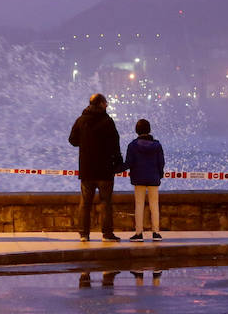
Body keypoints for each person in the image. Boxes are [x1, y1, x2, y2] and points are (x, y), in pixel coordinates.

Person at [68, 93, 123, 242]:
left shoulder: (81, 120)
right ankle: (107, 234)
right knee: (106, 203)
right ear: (100, 104)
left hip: (87, 169)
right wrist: (118, 163)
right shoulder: (108, 121)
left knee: (85, 203)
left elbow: (72, 140)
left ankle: (83, 234)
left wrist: (85, 143)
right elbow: (115, 145)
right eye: (106, 103)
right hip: (105, 170)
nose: (107, 105)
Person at [124, 118, 165, 242]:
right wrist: (159, 174)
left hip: (138, 178)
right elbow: (161, 162)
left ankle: (138, 233)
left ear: (137, 130)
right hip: (153, 178)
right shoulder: (157, 145)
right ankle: (156, 233)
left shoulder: (132, 145)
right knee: (154, 206)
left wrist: (114, 168)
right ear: (149, 130)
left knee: (139, 206)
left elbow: (129, 163)